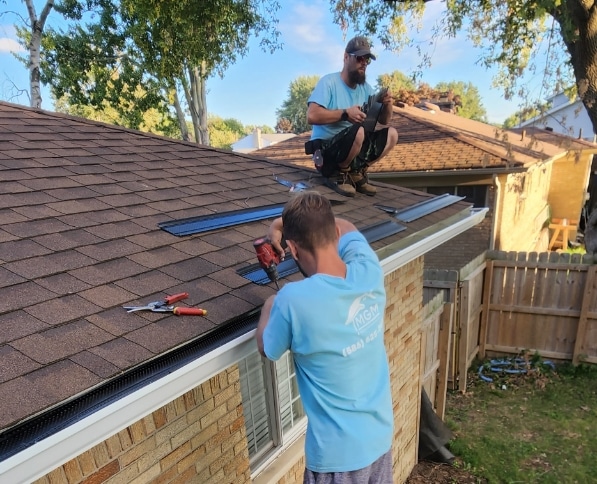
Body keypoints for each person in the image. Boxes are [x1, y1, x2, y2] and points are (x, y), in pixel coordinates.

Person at [256, 192, 394, 483]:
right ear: (334, 233)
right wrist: (283, 225)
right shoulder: (367, 268)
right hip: (379, 443)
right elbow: (348, 226)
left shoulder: (292, 300)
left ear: (292, 249)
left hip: (336, 460)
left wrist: (270, 304)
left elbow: (267, 349)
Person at [306, 36, 399, 198]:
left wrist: (387, 104)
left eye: (367, 60)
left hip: (354, 149)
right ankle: (339, 174)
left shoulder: (367, 89)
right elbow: (312, 116)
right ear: (346, 57)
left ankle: (356, 171)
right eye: (360, 58)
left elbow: (384, 121)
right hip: (327, 153)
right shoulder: (329, 83)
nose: (364, 63)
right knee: (359, 131)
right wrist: (344, 114)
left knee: (392, 134)